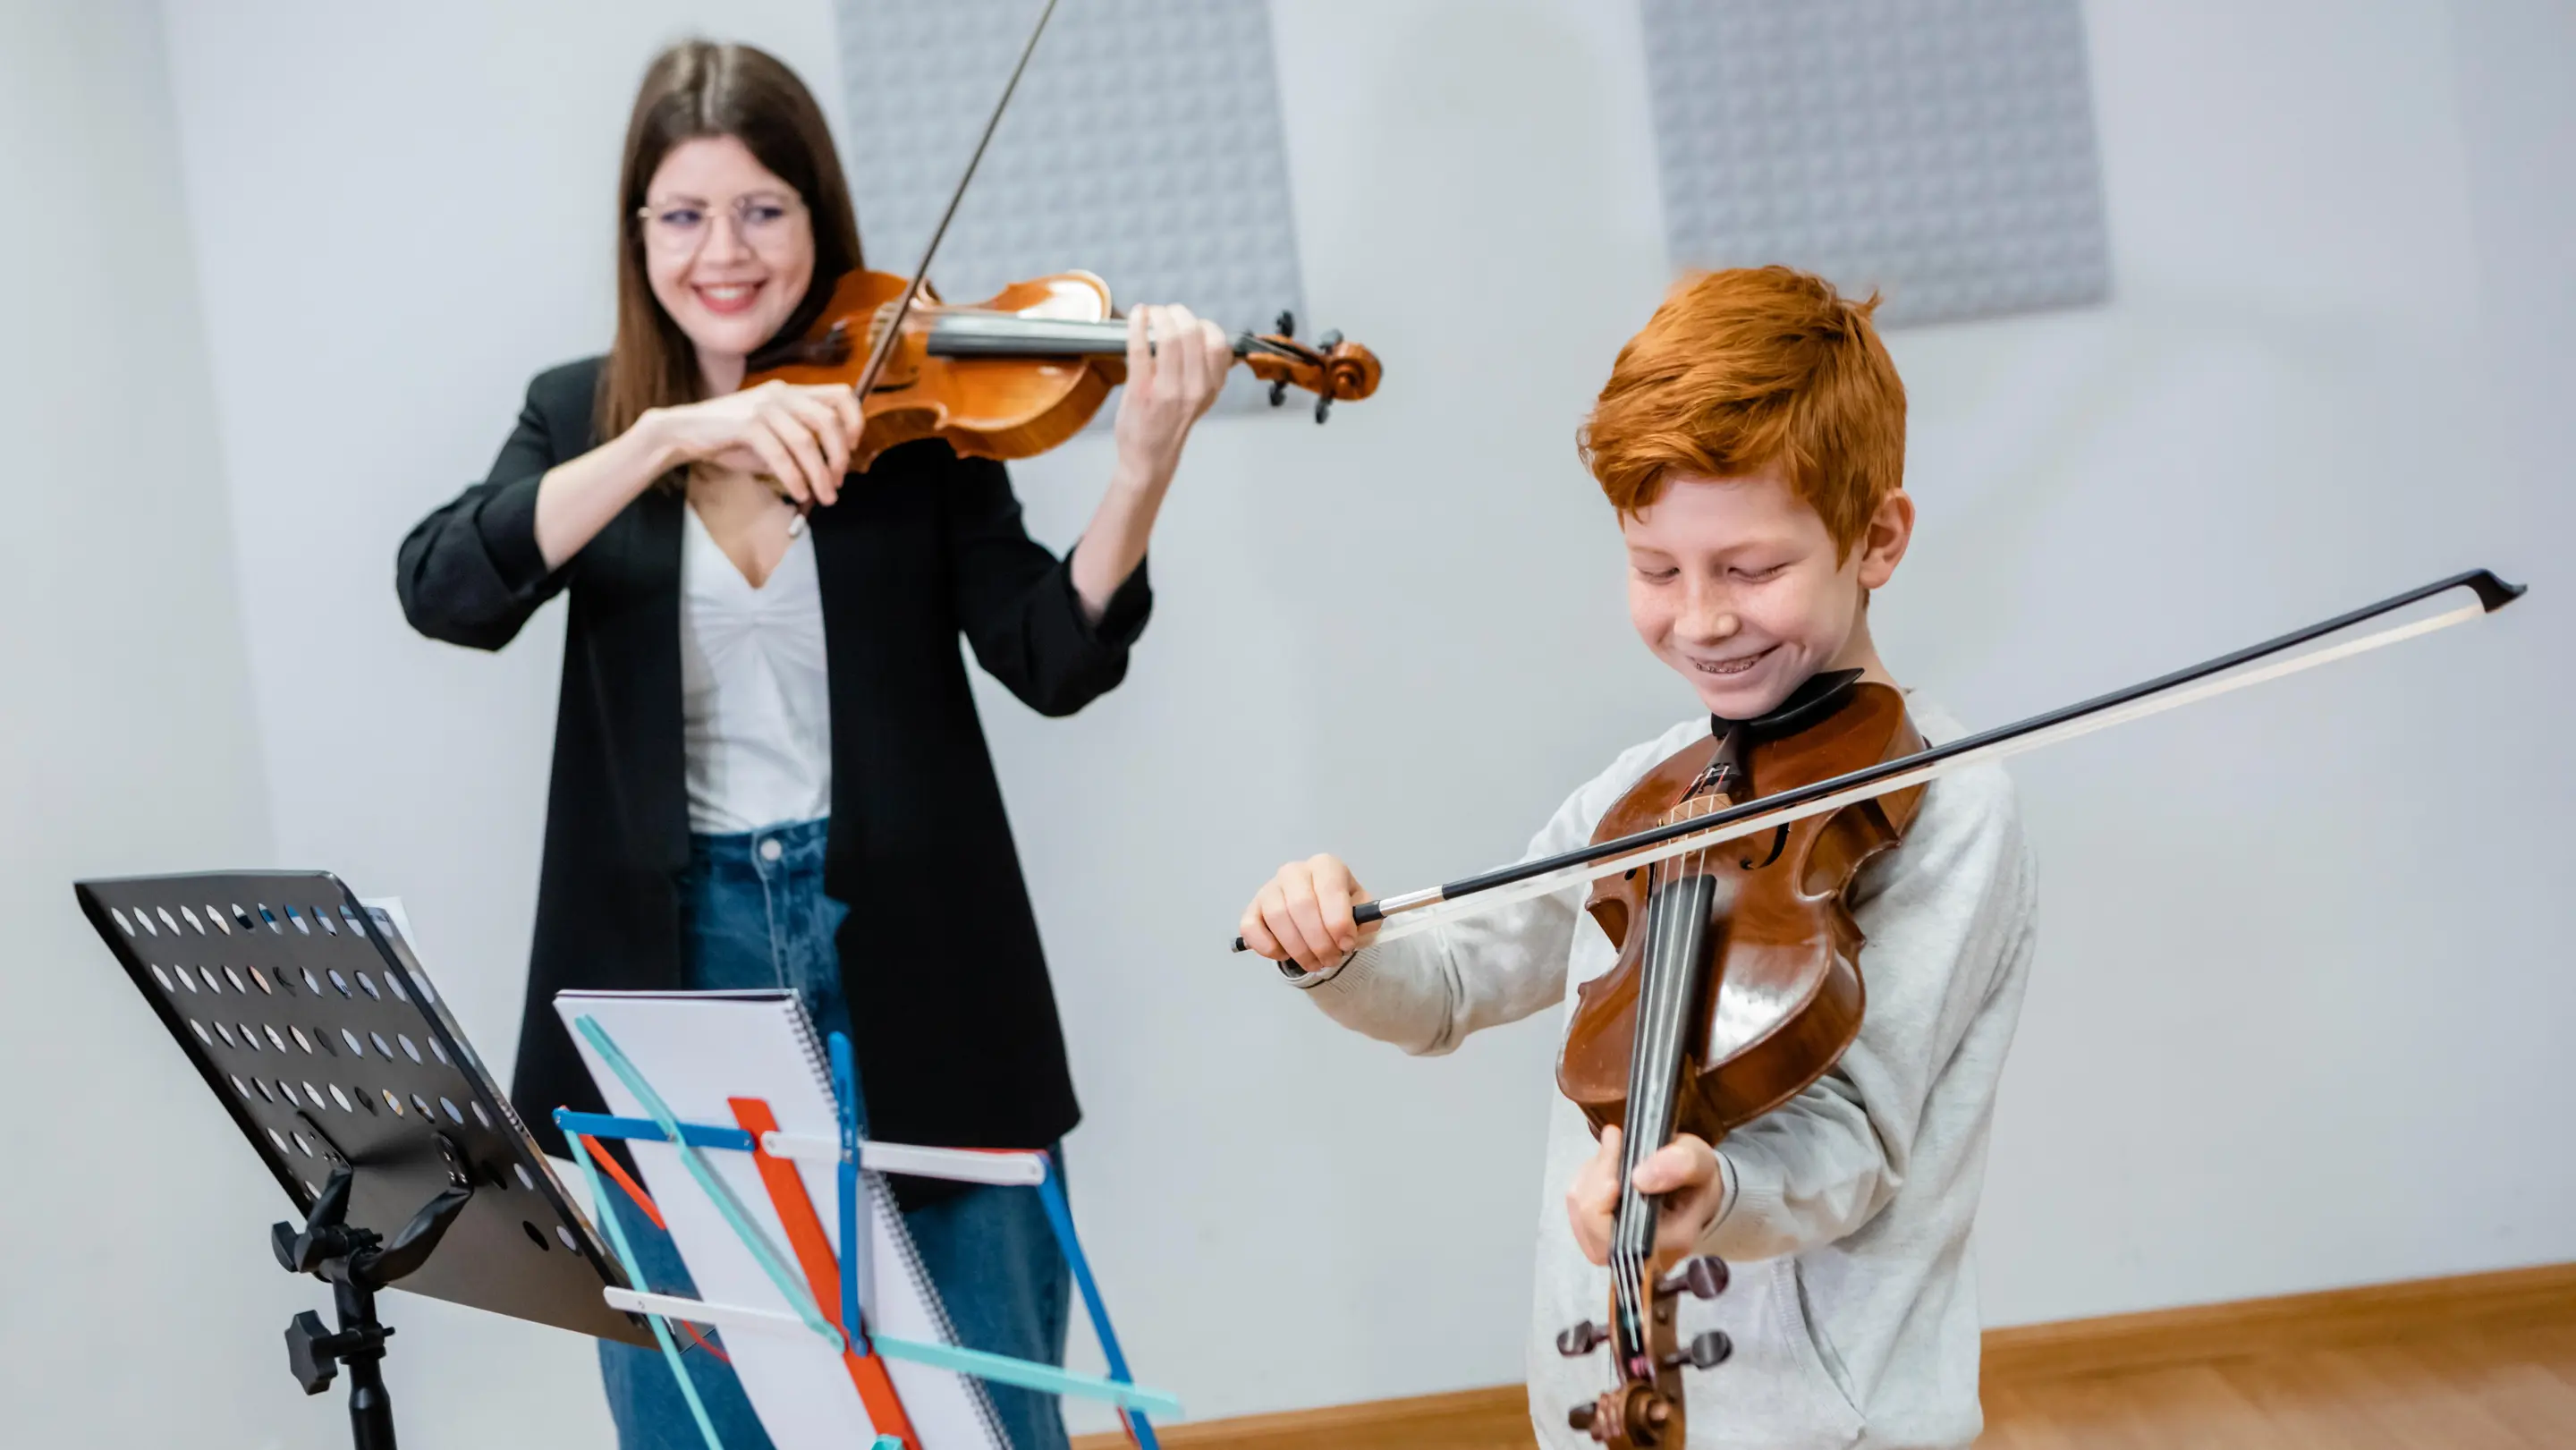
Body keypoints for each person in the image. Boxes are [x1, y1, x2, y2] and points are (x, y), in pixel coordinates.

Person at [396, 39, 1231, 1450]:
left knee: (983, 1396)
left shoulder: (912, 406)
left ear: (818, 222)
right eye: (685, 214)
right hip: (678, 966)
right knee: (704, 1410)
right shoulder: (580, 415)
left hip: (911, 945)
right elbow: (446, 588)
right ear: (639, 234)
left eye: (764, 210)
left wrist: (1141, 468)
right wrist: (668, 437)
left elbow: (1052, 656)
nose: (725, 250)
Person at [1238, 267, 2038, 1448]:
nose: (1701, 618)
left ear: (1878, 538)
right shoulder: (1649, 794)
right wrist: (1333, 945)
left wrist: (1720, 1192)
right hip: (1610, 1394)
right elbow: (1456, 984)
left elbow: (1859, 1143)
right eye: (1657, 569)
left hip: (1834, 1421)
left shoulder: (1948, 805)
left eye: (1751, 569)